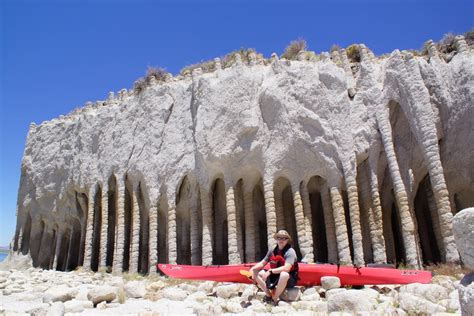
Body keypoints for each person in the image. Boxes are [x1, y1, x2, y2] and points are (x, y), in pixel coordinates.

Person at [249, 230, 299, 305]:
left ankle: (274, 298)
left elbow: (287, 268)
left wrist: (270, 271)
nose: (281, 240)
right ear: (276, 239)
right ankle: (268, 295)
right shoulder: (272, 250)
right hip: (276, 275)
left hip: (289, 278)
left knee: (284, 274)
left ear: (287, 240)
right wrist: (252, 269)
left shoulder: (290, 252)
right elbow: (262, 263)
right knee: (257, 272)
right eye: (279, 238)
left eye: (284, 238)